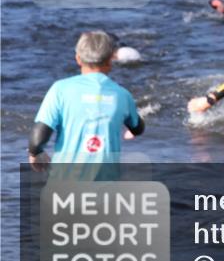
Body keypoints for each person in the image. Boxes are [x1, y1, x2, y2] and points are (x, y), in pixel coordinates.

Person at [28, 31, 145, 180]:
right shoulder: (122, 95)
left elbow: (37, 139)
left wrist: (35, 153)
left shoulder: (60, 89)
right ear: (110, 60)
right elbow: (138, 127)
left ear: (78, 58)